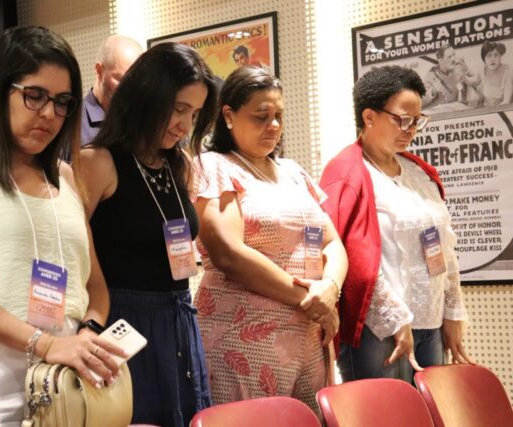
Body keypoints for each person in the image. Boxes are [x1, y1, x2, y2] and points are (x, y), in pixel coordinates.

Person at [0, 26, 124, 425]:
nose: (49, 113)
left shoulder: (65, 177)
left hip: (61, 374)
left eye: (62, 102)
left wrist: (88, 330)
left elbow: (95, 284)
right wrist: (43, 343)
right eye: (35, 95)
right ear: (1, 91)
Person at [192, 66, 347, 416]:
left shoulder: (293, 172)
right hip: (244, 337)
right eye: (261, 116)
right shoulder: (214, 165)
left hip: (309, 335)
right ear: (228, 116)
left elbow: (332, 242)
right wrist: (310, 298)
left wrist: (331, 288)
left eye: (279, 115)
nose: (273, 125)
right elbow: (229, 254)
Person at [79, 42, 218, 427]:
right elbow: (71, 252)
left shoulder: (179, 165)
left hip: (179, 321)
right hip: (122, 323)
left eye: (194, 114)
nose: (185, 125)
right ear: (147, 95)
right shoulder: (98, 161)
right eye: (178, 109)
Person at [319, 65, 472, 385]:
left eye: (417, 120)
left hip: (430, 320)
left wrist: (453, 310)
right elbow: (349, 257)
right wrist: (394, 317)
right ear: (369, 117)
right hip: (380, 328)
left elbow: (444, 246)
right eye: (402, 119)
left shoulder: (419, 173)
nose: (411, 129)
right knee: (386, 409)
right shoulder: (346, 173)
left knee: (431, 408)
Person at [81, 34, 143, 146]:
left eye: (135, 82)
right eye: (122, 79)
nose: (130, 89)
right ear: (99, 71)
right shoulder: (73, 122)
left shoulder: (138, 119)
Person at [422, 44, 480, 110]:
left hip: (464, 109)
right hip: (444, 112)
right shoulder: (432, 74)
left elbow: (477, 83)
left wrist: (467, 74)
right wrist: (433, 91)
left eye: (454, 55)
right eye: (449, 57)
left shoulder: (460, 65)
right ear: (440, 60)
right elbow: (422, 100)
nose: (453, 59)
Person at [478, 41, 513, 106]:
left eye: (496, 55)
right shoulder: (483, 70)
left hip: (503, 109)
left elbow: (506, 102)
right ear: (484, 58)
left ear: (500, 56)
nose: (492, 59)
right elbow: (473, 81)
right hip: (486, 108)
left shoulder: (508, 72)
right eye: (489, 56)